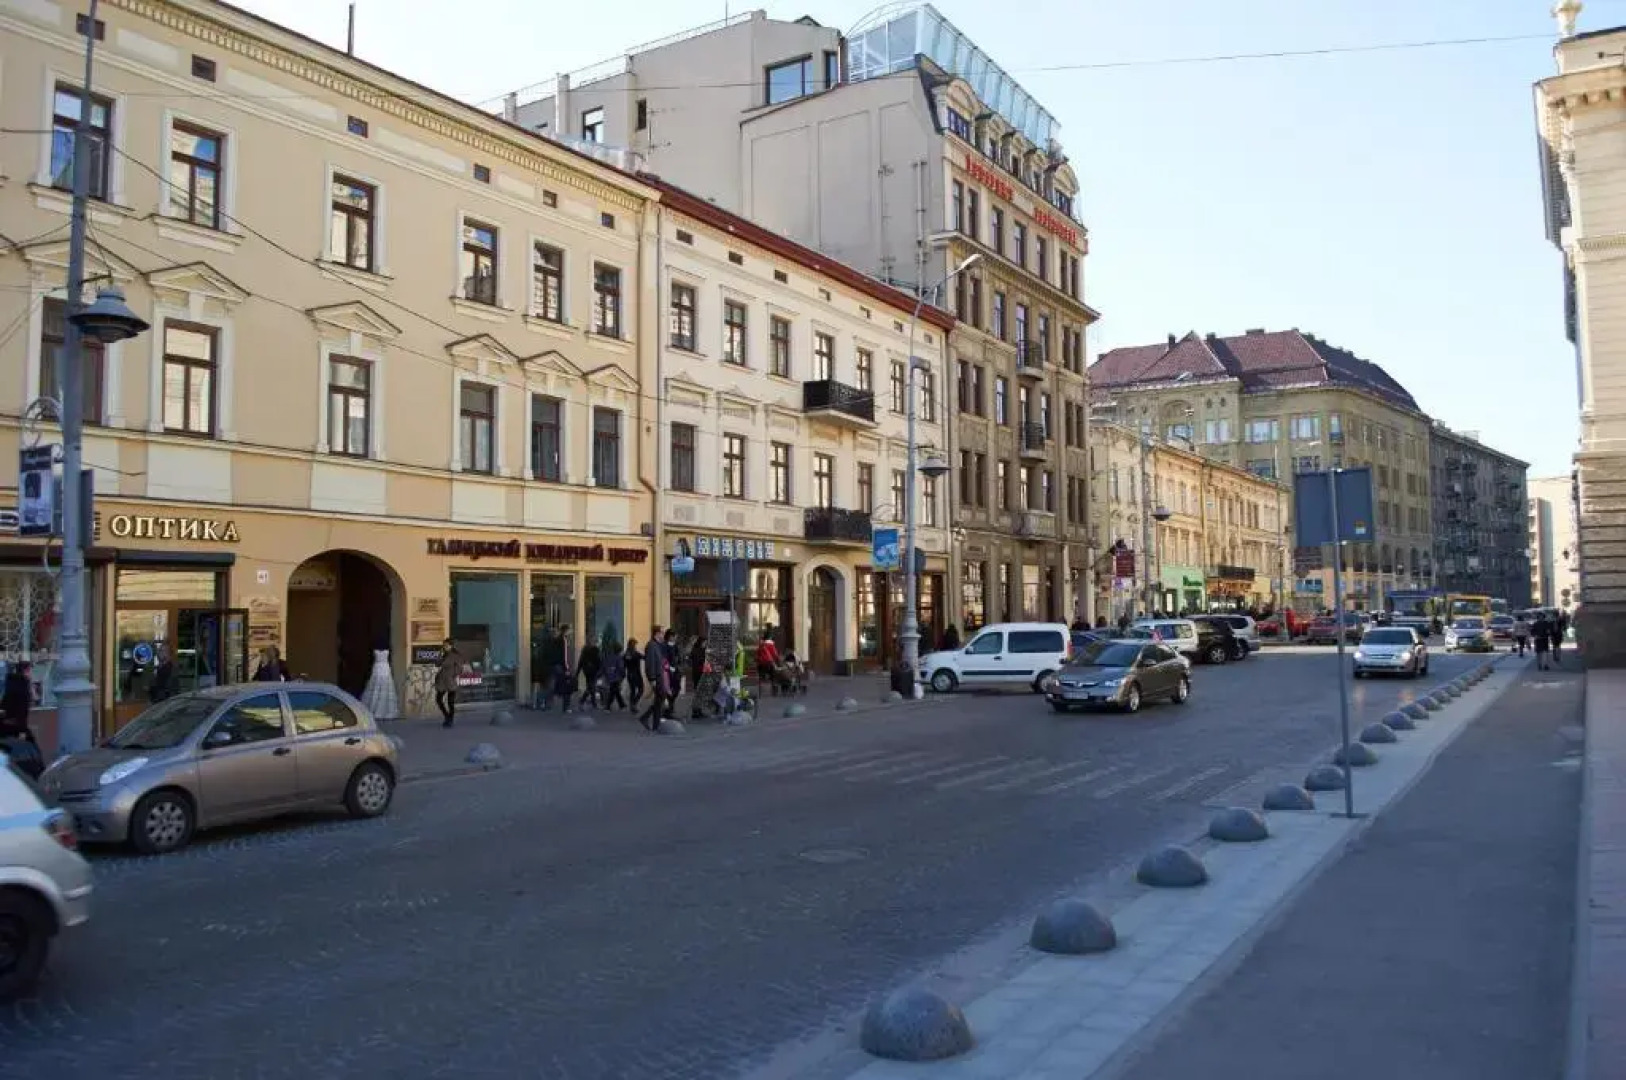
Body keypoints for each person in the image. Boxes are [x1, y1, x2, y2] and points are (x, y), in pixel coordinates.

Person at [638, 627, 668, 731]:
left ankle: (647, 719)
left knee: (659, 699)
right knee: (661, 698)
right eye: (662, 633)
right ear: (657, 634)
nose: (663, 635)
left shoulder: (656, 645)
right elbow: (650, 663)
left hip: (659, 676)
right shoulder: (651, 645)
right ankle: (654, 723)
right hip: (656, 677)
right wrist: (652, 678)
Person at [435, 639, 462, 728]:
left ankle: (450, 719)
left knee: (450, 702)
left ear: (451, 646)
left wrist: (454, 674)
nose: (445, 647)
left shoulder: (455, 655)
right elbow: (437, 664)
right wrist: (439, 654)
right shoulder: (444, 654)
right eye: (444, 645)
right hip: (442, 680)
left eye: (446, 645)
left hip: (450, 680)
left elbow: (459, 668)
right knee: (438, 699)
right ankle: (446, 716)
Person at [598, 638, 627, 710]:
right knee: (613, 692)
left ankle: (621, 704)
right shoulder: (618, 657)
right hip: (616, 677)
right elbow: (621, 667)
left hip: (609, 676)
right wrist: (623, 674)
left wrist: (601, 674)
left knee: (615, 691)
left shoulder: (608, 656)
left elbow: (604, 666)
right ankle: (607, 707)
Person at [576, 634, 602, 709]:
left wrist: (578, 672)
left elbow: (581, 661)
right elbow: (598, 661)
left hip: (586, 670)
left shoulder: (584, 649)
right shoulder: (595, 649)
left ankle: (593, 703)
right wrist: (600, 670)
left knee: (590, 686)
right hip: (593, 671)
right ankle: (583, 701)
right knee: (591, 687)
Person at [662, 629, 680, 719]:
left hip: (676, 671)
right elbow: (664, 659)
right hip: (667, 672)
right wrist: (669, 667)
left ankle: (671, 705)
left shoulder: (675, 646)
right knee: (668, 690)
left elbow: (677, 656)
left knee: (677, 688)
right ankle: (669, 709)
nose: (676, 638)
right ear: (670, 636)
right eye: (674, 636)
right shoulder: (664, 646)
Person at [623, 637, 645, 710]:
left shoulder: (626, 654)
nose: (636, 646)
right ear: (633, 645)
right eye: (635, 644)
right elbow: (644, 657)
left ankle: (632, 705)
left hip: (630, 674)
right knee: (641, 689)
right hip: (636, 674)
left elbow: (624, 664)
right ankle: (633, 704)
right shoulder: (635, 654)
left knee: (633, 691)